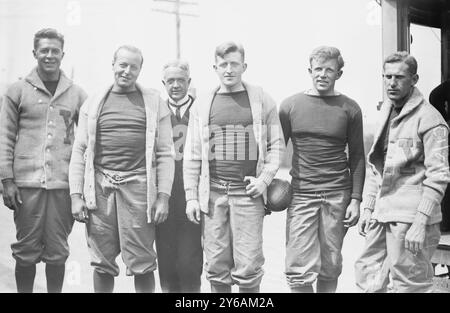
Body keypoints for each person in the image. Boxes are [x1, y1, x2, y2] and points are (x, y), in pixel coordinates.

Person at [68, 45, 174, 293]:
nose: (127, 71)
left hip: (138, 188)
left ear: (140, 70)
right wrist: (76, 196)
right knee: (102, 262)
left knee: (143, 262)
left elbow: (165, 154)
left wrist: (163, 197)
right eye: (122, 65)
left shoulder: (155, 103)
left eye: (133, 66)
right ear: (113, 65)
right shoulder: (93, 102)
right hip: (101, 188)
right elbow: (79, 150)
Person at [183, 41, 284, 293]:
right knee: (216, 265)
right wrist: (191, 197)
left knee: (249, 267)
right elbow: (192, 154)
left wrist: (264, 180)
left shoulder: (262, 99)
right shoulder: (203, 103)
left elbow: (277, 147)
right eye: (223, 64)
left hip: (247, 195)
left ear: (244, 66)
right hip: (213, 194)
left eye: (234, 64)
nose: (228, 69)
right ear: (214, 67)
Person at [355, 51, 450, 293]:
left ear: (414, 79)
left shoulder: (431, 119)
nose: (392, 83)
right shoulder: (387, 112)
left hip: (412, 218)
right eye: (387, 77)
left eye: (399, 77)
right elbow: (377, 165)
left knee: (410, 286)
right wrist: (367, 206)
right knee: (368, 276)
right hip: (382, 213)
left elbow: (438, 176)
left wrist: (421, 222)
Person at [0, 28, 87, 293]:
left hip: (62, 185)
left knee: (57, 250)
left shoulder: (76, 94)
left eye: (55, 51)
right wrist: (7, 180)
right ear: (35, 53)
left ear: (63, 54)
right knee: (26, 249)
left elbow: (86, 142)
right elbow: (5, 137)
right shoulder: (17, 90)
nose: (49, 55)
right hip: (26, 183)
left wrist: (80, 187)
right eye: (44, 50)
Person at [279, 46, 365, 293]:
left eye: (330, 69)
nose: (323, 74)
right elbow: (273, 151)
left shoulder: (350, 108)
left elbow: (358, 157)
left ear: (339, 73)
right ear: (309, 71)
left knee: (330, 264)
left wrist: (356, 200)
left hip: (337, 195)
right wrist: (266, 185)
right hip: (302, 194)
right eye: (318, 69)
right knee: (298, 269)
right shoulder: (290, 106)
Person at [155, 60, 203, 293]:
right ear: (163, 83)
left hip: (192, 193)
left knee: (189, 261)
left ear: (189, 82)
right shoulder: (156, 111)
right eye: (170, 81)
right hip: (164, 194)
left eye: (180, 80)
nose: (175, 85)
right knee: (165, 259)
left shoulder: (201, 110)